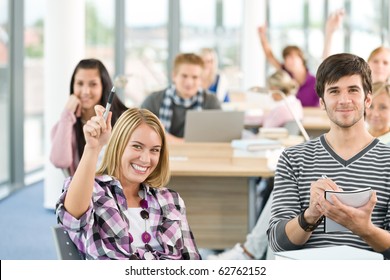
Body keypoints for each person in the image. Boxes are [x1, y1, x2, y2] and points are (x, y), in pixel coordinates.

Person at [267, 53, 390, 259]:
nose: (344, 100)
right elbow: (277, 243)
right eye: (334, 91)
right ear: (322, 102)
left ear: (367, 99)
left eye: (353, 90)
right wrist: (311, 215)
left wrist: (364, 229)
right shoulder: (293, 158)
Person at [55, 106, 201, 260]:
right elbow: (71, 219)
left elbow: (192, 261)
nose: (145, 159)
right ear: (119, 145)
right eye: (137, 146)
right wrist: (93, 147)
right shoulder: (93, 192)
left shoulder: (171, 199)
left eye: (155, 150)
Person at [50, 58, 128, 176]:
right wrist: (66, 115)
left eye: (93, 84)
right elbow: (60, 161)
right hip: (84, 192)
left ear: (104, 86)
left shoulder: (123, 120)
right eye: (80, 84)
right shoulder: (64, 125)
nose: (85, 91)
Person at [141, 53, 221, 143]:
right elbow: (143, 135)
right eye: (184, 76)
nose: (189, 82)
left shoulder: (211, 101)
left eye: (195, 77)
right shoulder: (153, 100)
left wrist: (165, 137)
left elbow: (217, 137)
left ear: (200, 79)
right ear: (174, 76)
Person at [257, 25, 319, 107]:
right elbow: (270, 56)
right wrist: (262, 36)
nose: (288, 61)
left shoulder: (315, 82)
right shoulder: (285, 75)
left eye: (292, 57)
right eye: (286, 58)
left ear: (302, 59)